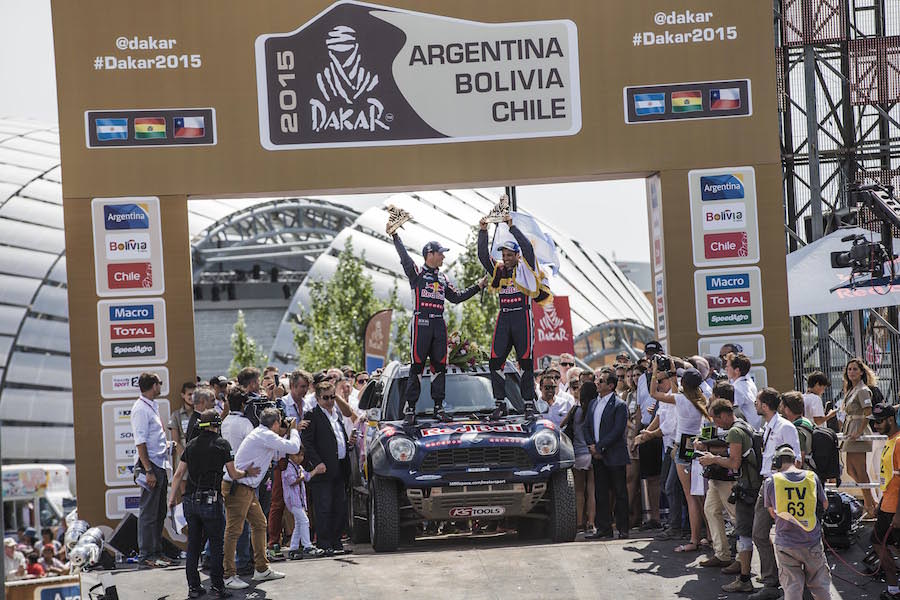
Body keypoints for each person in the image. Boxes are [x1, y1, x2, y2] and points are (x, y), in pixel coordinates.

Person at [390, 225, 486, 424]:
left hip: (439, 324)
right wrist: (395, 235)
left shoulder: (443, 278)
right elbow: (404, 258)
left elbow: (457, 298)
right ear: (429, 254)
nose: (443, 257)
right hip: (421, 322)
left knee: (439, 367)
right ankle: (410, 409)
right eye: (440, 254)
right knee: (416, 366)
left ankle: (438, 407)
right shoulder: (416, 273)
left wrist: (478, 286)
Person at [168, 410, 261, 599]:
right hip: (211, 500)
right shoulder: (222, 444)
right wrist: (248, 473)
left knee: (193, 545)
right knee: (217, 545)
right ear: (216, 425)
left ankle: (193, 588)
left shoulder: (191, 446)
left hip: (190, 501)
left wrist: (171, 499)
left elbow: (178, 474)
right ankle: (218, 588)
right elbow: (233, 474)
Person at [477, 214, 551, 420]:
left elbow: (527, 248)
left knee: (525, 361)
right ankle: (499, 402)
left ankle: (528, 403)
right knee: (495, 361)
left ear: (517, 256)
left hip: (522, 317)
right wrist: (483, 231)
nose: (506, 258)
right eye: (504, 255)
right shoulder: (499, 270)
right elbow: (483, 257)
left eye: (510, 255)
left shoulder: (526, 268)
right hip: (504, 317)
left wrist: (512, 227)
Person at [222, 408, 299, 590]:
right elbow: (294, 448)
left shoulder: (263, 434)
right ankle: (228, 575)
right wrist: (294, 429)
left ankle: (262, 568)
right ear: (274, 423)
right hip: (238, 488)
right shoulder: (265, 435)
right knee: (234, 531)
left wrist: (285, 432)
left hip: (246, 488)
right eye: (279, 423)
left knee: (259, 524)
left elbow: (281, 451)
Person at [699, 398, 760, 590]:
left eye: (716, 419)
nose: (715, 423)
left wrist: (712, 458)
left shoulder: (735, 429)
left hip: (735, 481)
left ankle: (743, 565)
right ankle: (723, 555)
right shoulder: (741, 424)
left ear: (725, 414)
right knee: (711, 510)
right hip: (722, 479)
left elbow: (734, 462)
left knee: (740, 523)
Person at [650, 364, 709, 553]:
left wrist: (653, 375)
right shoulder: (701, 399)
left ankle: (694, 539)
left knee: (690, 496)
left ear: (684, 383)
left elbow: (654, 394)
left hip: (683, 445)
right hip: (695, 443)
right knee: (701, 495)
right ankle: (707, 535)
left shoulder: (681, 399)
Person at [752, 387, 802, 600]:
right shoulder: (768, 426)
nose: (755, 405)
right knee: (759, 532)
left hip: (781, 486)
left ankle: (793, 586)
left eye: (757, 402)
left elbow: (797, 459)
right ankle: (771, 582)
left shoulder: (785, 426)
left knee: (788, 537)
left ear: (764, 405)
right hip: (767, 484)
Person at [763, 445, 832, 600]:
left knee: (792, 587)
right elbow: (825, 504)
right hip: (811, 541)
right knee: (820, 586)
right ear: (795, 461)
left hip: (786, 543)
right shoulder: (811, 477)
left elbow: (772, 512)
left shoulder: (771, 481)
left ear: (777, 461)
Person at [302, 381, 358, 555]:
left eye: (332, 397)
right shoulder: (312, 415)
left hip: (340, 466)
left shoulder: (337, 414)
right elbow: (308, 443)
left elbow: (337, 440)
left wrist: (349, 444)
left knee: (339, 506)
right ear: (318, 398)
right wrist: (317, 462)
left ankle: (336, 542)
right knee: (324, 507)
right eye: (325, 398)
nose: (329, 401)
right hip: (323, 469)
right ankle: (324, 543)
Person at [131, 372, 172, 568]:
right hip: (152, 466)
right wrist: (148, 470)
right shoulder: (140, 409)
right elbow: (140, 442)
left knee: (159, 511)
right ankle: (146, 554)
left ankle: (156, 552)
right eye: (160, 383)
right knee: (148, 513)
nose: (161, 386)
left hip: (160, 464)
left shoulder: (151, 406)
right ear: (153, 385)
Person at [584, 372, 630, 539]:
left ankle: (623, 528)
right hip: (597, 456)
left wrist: (600, 447)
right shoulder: (593, 404)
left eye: (601, 381)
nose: (597, 383)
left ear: (611, 385)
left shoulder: (619, 405)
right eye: (598, 380)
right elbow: (586, 426)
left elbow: (618, 430)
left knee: (620, 493)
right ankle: (604, 528)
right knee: (600, 493)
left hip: (614, 455)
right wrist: (591, 446)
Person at [218, 388, 254, 576]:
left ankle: (231, 561)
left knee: (231, 524)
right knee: (241, 526)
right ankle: (241, 562)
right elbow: (254, 447)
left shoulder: (225, 422)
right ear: (242, 404)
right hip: (241, 478)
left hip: (227, 477)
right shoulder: (246, 423)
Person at [869, 403, 900, 600]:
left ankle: (893, 588)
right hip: (888, 505)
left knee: (878, 542)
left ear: (891, 420)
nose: (876, 426)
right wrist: (881, 503)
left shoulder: (898, 443)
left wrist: (898, 512)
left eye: (879, 422)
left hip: (895, 509)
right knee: (881, 542)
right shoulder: (890, 441)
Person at [841, 357, 877, 516]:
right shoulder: (851, 389)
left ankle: (870, 506)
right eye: (849, 369)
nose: (852, 372)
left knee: (860, 470)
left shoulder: (862, 390)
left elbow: (868, 412)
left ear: (862, 371)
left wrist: (859, 431)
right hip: (850, 431)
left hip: (858, 431)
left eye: (855, 369)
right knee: (850, 469)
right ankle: (871, 502)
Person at [560, 378, 594, 534]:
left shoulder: (575, 410)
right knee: (592, 490)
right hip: (592, 453)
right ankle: (592, 522)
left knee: (579, 491)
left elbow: (561, 425)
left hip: (578, 453)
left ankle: (579, 522)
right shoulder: (595, 409)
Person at [282, 448, 326, 559]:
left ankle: (294, 548)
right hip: (293, 501)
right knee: (305, 521)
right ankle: (307, 546)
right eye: (297, 455)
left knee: (298, 523)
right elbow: (292, 481)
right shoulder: (288, 467)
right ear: (290, 455)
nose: (300, 458)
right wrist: (301, 477)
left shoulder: (299, 467)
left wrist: (315, 470)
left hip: (300, 501)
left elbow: (307, 476)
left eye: (301, 455)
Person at [727, 353, 760, 428]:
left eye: (728, 366)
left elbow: (733, 414)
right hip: (753, 430)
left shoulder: (736, 389)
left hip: (746, 432)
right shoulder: (750, 383)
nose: (726, 369)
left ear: (737, 370)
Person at [170, 381, 197, 465]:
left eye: (194, 394)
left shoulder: (200, 413)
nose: (192, 397)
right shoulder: (176, 415)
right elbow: (176, 441)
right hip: (183, 455)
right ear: (183, 395)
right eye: (189, 394)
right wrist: (184, 457)